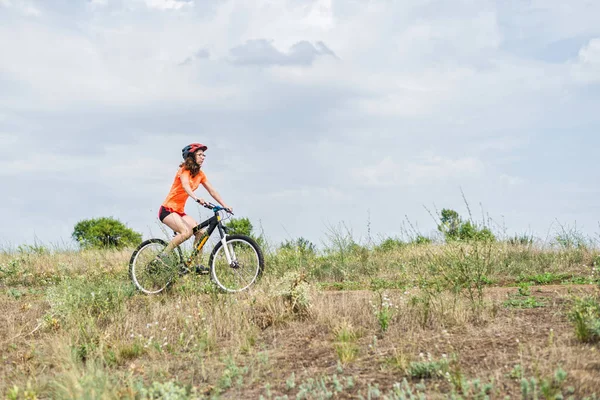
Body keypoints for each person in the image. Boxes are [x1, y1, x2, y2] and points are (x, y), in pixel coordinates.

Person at [157, 143, 232, 267]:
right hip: (167, 210)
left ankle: (197, 265)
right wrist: (197, 198)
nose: (203, 157)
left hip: (179, 212)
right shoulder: (184, 171)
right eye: (200, 154)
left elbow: (212, 191)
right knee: (186, 232)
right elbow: (186, 186)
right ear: (191, 156)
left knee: (200, 233)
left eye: (204, 155)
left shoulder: (200, 175)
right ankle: (162, 256)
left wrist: (225, 205)